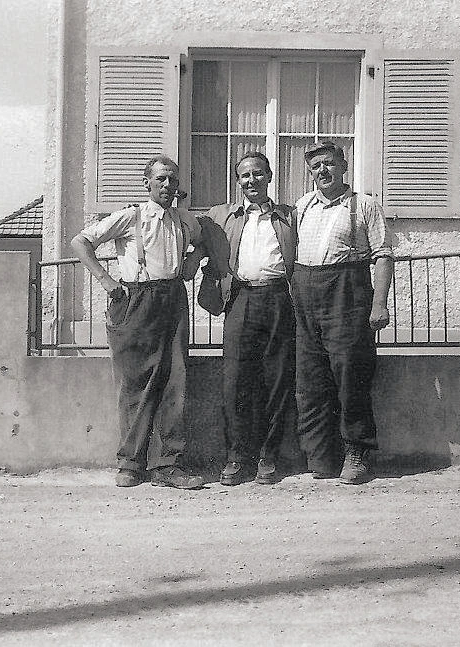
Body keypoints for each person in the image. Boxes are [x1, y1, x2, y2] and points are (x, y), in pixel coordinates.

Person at [71, 155, 206, 489]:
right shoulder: (131, 217)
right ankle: (131, 463)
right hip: (135, 300)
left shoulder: (184, 220)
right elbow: (81, 241)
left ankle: (167, 465)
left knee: (175, 381)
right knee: (135, 383)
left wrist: (192, 262)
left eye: (172, 180)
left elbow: (201, 243)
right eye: (160, 179)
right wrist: (104, 279)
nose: (167, 185)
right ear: (147, 183)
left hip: (173, 298)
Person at [192, 152, 298, 486]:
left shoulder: (289, 216)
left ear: (269, 176)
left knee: (277, 379)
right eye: (244, 176)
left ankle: (269, 458)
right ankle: (237, 457)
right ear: (238, 181)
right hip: (239, 299)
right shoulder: (221, 216)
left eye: (257, 174)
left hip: (279, 298)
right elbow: (188, 229)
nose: (251, 181)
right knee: (236, 380)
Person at [292, 140, 393, 485]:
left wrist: (379, 303)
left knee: (350, 374)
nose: (323, 171)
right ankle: (320, 456)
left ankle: (356, 453)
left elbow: (382, 255)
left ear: (344, 166)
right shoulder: (303, 206)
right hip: (306, 293)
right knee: (311, 378)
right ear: (309, 173)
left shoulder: (363, 205)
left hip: (347, 294)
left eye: (329, 164)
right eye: (316, 167)